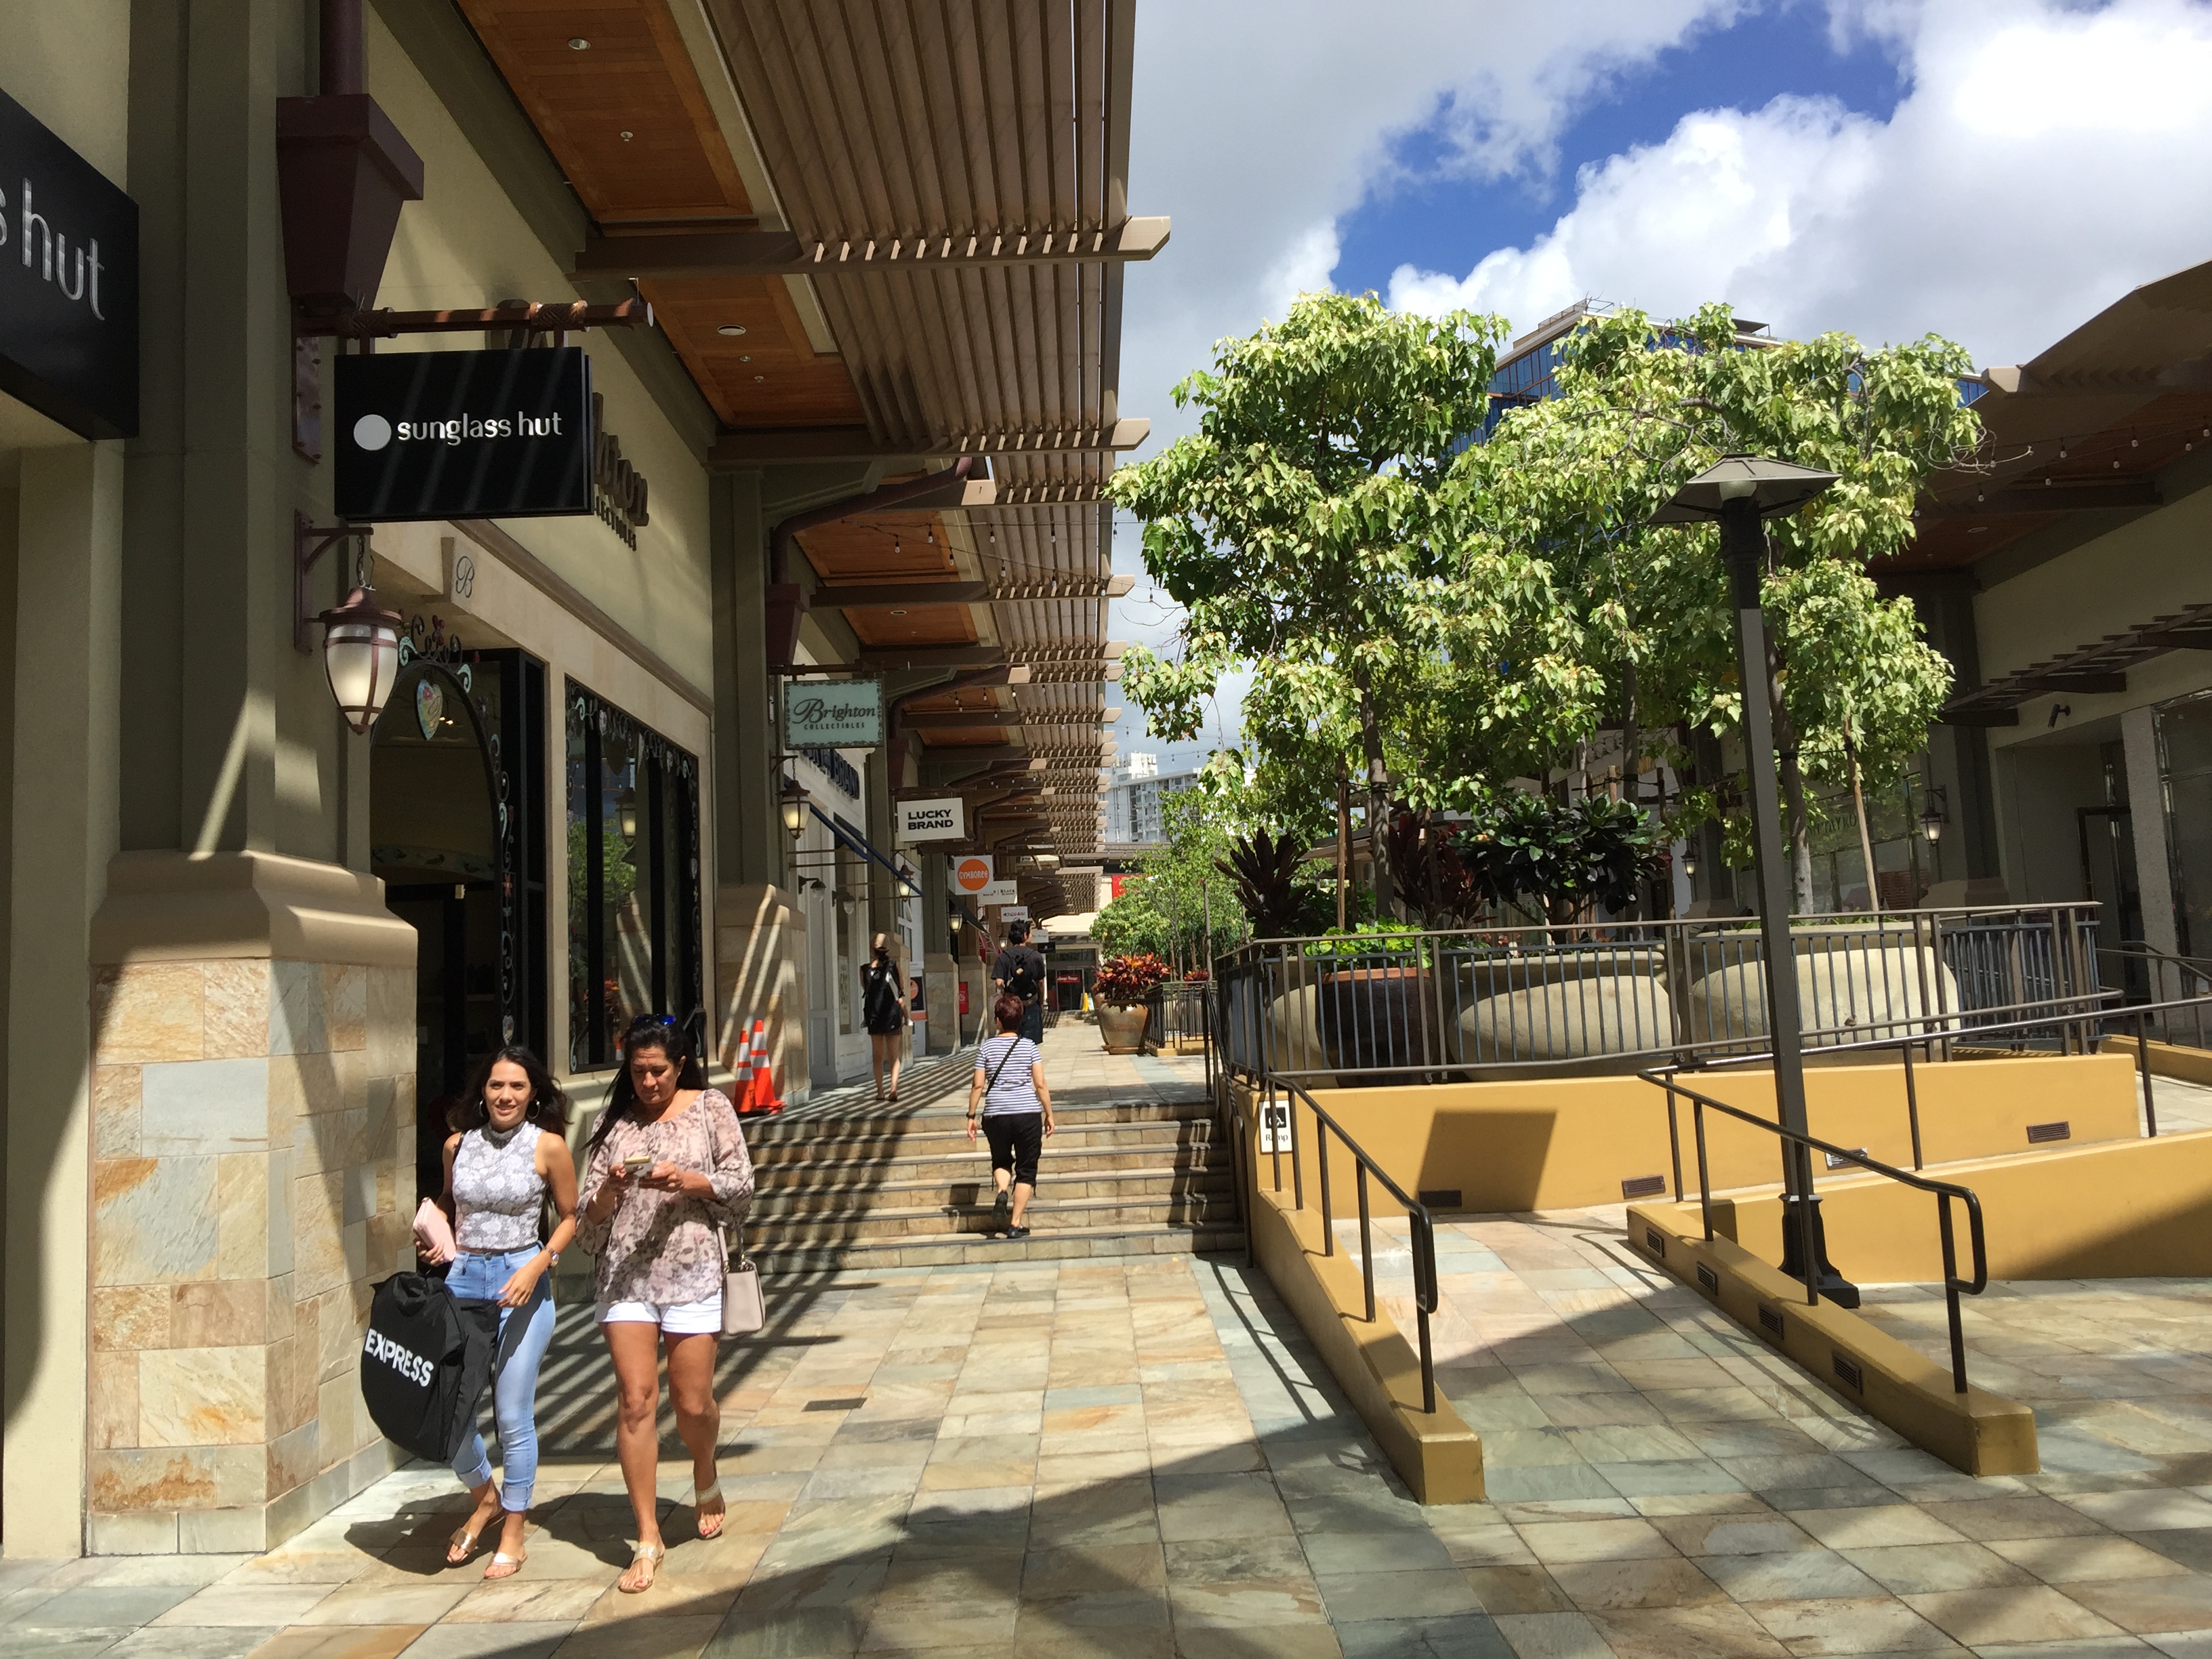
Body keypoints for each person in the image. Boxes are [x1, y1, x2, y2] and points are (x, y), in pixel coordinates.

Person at [575, 1015, 754, 1593]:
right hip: (625, 1278)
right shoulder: (612, 1123)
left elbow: (742, 1184)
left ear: (680, 1066)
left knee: (692, 1403)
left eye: (658, 1071)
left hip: (693, 1271)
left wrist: (687, 1180)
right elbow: (585, 1219)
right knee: (635, 1400)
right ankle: (647, 1536)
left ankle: (704, 1466)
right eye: (638, 1072)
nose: (648, 1082)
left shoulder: (710, 1108)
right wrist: (609, 1191)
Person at [425, 1048, 578, 1580]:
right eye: (496, 1085)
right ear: (482, 1091)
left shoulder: (548, 1146)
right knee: (450, 1411)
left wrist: (538, 1265)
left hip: (522, 1277)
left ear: (533, 1094)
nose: (505, 1096)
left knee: (512, 1414)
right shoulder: (457, 1145)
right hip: (464, 1279)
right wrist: (433, 1230)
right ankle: (485, 1498)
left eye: (517, 1086)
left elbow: (571, 1217)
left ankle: (514, 1530)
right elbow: (450, 1202)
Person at [967, 992, 1055, 1238]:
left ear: (997, 1021)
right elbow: (1040, 1084)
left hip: (996, 1114)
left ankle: (1002, 1190)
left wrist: (971, 1116)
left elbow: (977, 1085)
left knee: (1001, 1160)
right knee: (1026, 1169)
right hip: (1027, 1114)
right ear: (1020, 1020)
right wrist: (1049, 1114)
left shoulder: (986, 1047)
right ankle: (1015, 1224)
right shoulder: (1029, 1046)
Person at [861, 933, 907, 1101]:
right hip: (892, 1015)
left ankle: (880, 1091)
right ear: (888, 949)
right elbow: (901, 987)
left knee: (878, 1056)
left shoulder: (865, 969)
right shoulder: (894, 966)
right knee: (894, 1056)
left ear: (872, 949)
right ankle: (893, 1088)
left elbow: (865, 989)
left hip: (874, 1016)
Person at [992, 918, 1048, 1044]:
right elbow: (1041, 983)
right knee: (1031, 1045)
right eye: (1030, 933)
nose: (1031, 936)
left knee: (1011, 1043)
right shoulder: (1036, 956)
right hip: (1031, 1005)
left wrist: (1007, 991)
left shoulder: (1003, 957)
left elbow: (999, 982)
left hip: (1011, 1009)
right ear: (1025, 935)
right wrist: (1040, 1002)